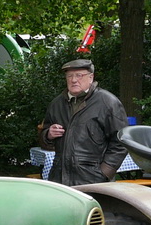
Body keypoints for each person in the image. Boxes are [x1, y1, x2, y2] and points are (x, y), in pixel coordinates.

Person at [38, 58, 128, 186]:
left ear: (91, 78)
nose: (73, 80)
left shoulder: (107, 102)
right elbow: (43, 140)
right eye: (69, 76)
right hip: (59, 178)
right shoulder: (56, 104)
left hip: (93, 179)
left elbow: (121, 141)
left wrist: (105, 171)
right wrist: (48, 134)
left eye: (79, 75)